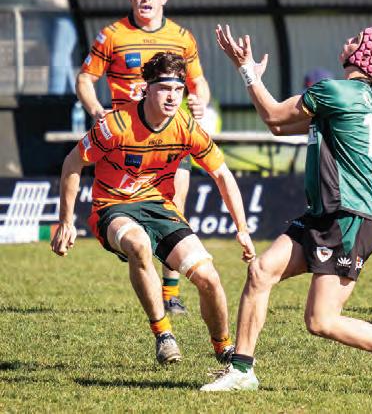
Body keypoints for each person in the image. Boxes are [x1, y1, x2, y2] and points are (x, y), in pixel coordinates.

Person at [200, 25, 372, 394]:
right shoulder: (350, 95)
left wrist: (246, 70)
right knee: (262, 271)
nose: (348, 41)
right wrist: (252, 76)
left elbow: (274, 116)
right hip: (326, 212)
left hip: (346, 218)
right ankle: (242, 370)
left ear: (366, 55)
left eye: (356, 39)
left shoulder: (335, 91)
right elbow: (279, 128)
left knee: (321, 320)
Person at [51, 51, 256, 365]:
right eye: (164, 88)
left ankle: (224, 349)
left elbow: (222, 175)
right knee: (139, 244)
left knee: (209, 278)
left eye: (178, 89)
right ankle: (164, 334)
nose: (173, 97)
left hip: (159, 207)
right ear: (146, 88)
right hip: (113, 206)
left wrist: (242, 228)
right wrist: (66, 221)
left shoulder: (186, 127)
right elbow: (72, 162)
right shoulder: (116, 125)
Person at [76, 0, 210, 314]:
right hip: (125, 140)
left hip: (171, 138)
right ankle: (131, 247)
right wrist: (96, 110)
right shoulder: (112, 35)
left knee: (175, 207)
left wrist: (201, 101)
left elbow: (199, 83)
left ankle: (171, 293)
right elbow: (85, 79)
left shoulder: (182, 37)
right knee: (127, 217)